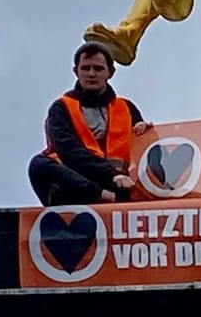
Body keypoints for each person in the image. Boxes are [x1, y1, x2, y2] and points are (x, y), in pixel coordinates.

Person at [28, 41, 151, 207]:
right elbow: (69, 151)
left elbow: (142, 153)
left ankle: (110, 196)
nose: (91, 74)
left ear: (110, 72)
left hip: (119, 184)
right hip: (78, 185)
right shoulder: (61, 107)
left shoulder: (126, 107)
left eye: (98, 69)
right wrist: (110, 175)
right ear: (76, 71)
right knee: (39, 164)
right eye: (86, 68)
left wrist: (147, 132)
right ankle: (103, 196)